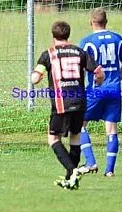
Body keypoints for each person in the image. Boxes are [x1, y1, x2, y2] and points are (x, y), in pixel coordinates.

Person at [31, 21, 104, 190]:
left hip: (61, 102)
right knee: (75, 138)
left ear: (53, 35)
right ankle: (70, 180)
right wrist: (99, 81)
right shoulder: (80, 52)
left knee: (53, 139)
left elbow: (35, 78)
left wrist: (38, 76)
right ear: (68, 35)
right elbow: (99, 72)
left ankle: (72, 170)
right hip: (80, 101)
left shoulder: (49, 54)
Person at [77, 8, 122, 177]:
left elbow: (80, 66)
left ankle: (91, 162)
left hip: (95, 89)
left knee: (80, 125)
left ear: (90, 22)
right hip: (114, 89)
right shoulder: (117, 38)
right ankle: (109, 170)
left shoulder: (87, 41)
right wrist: (117, 79)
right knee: (112, 130)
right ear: (106, 22)